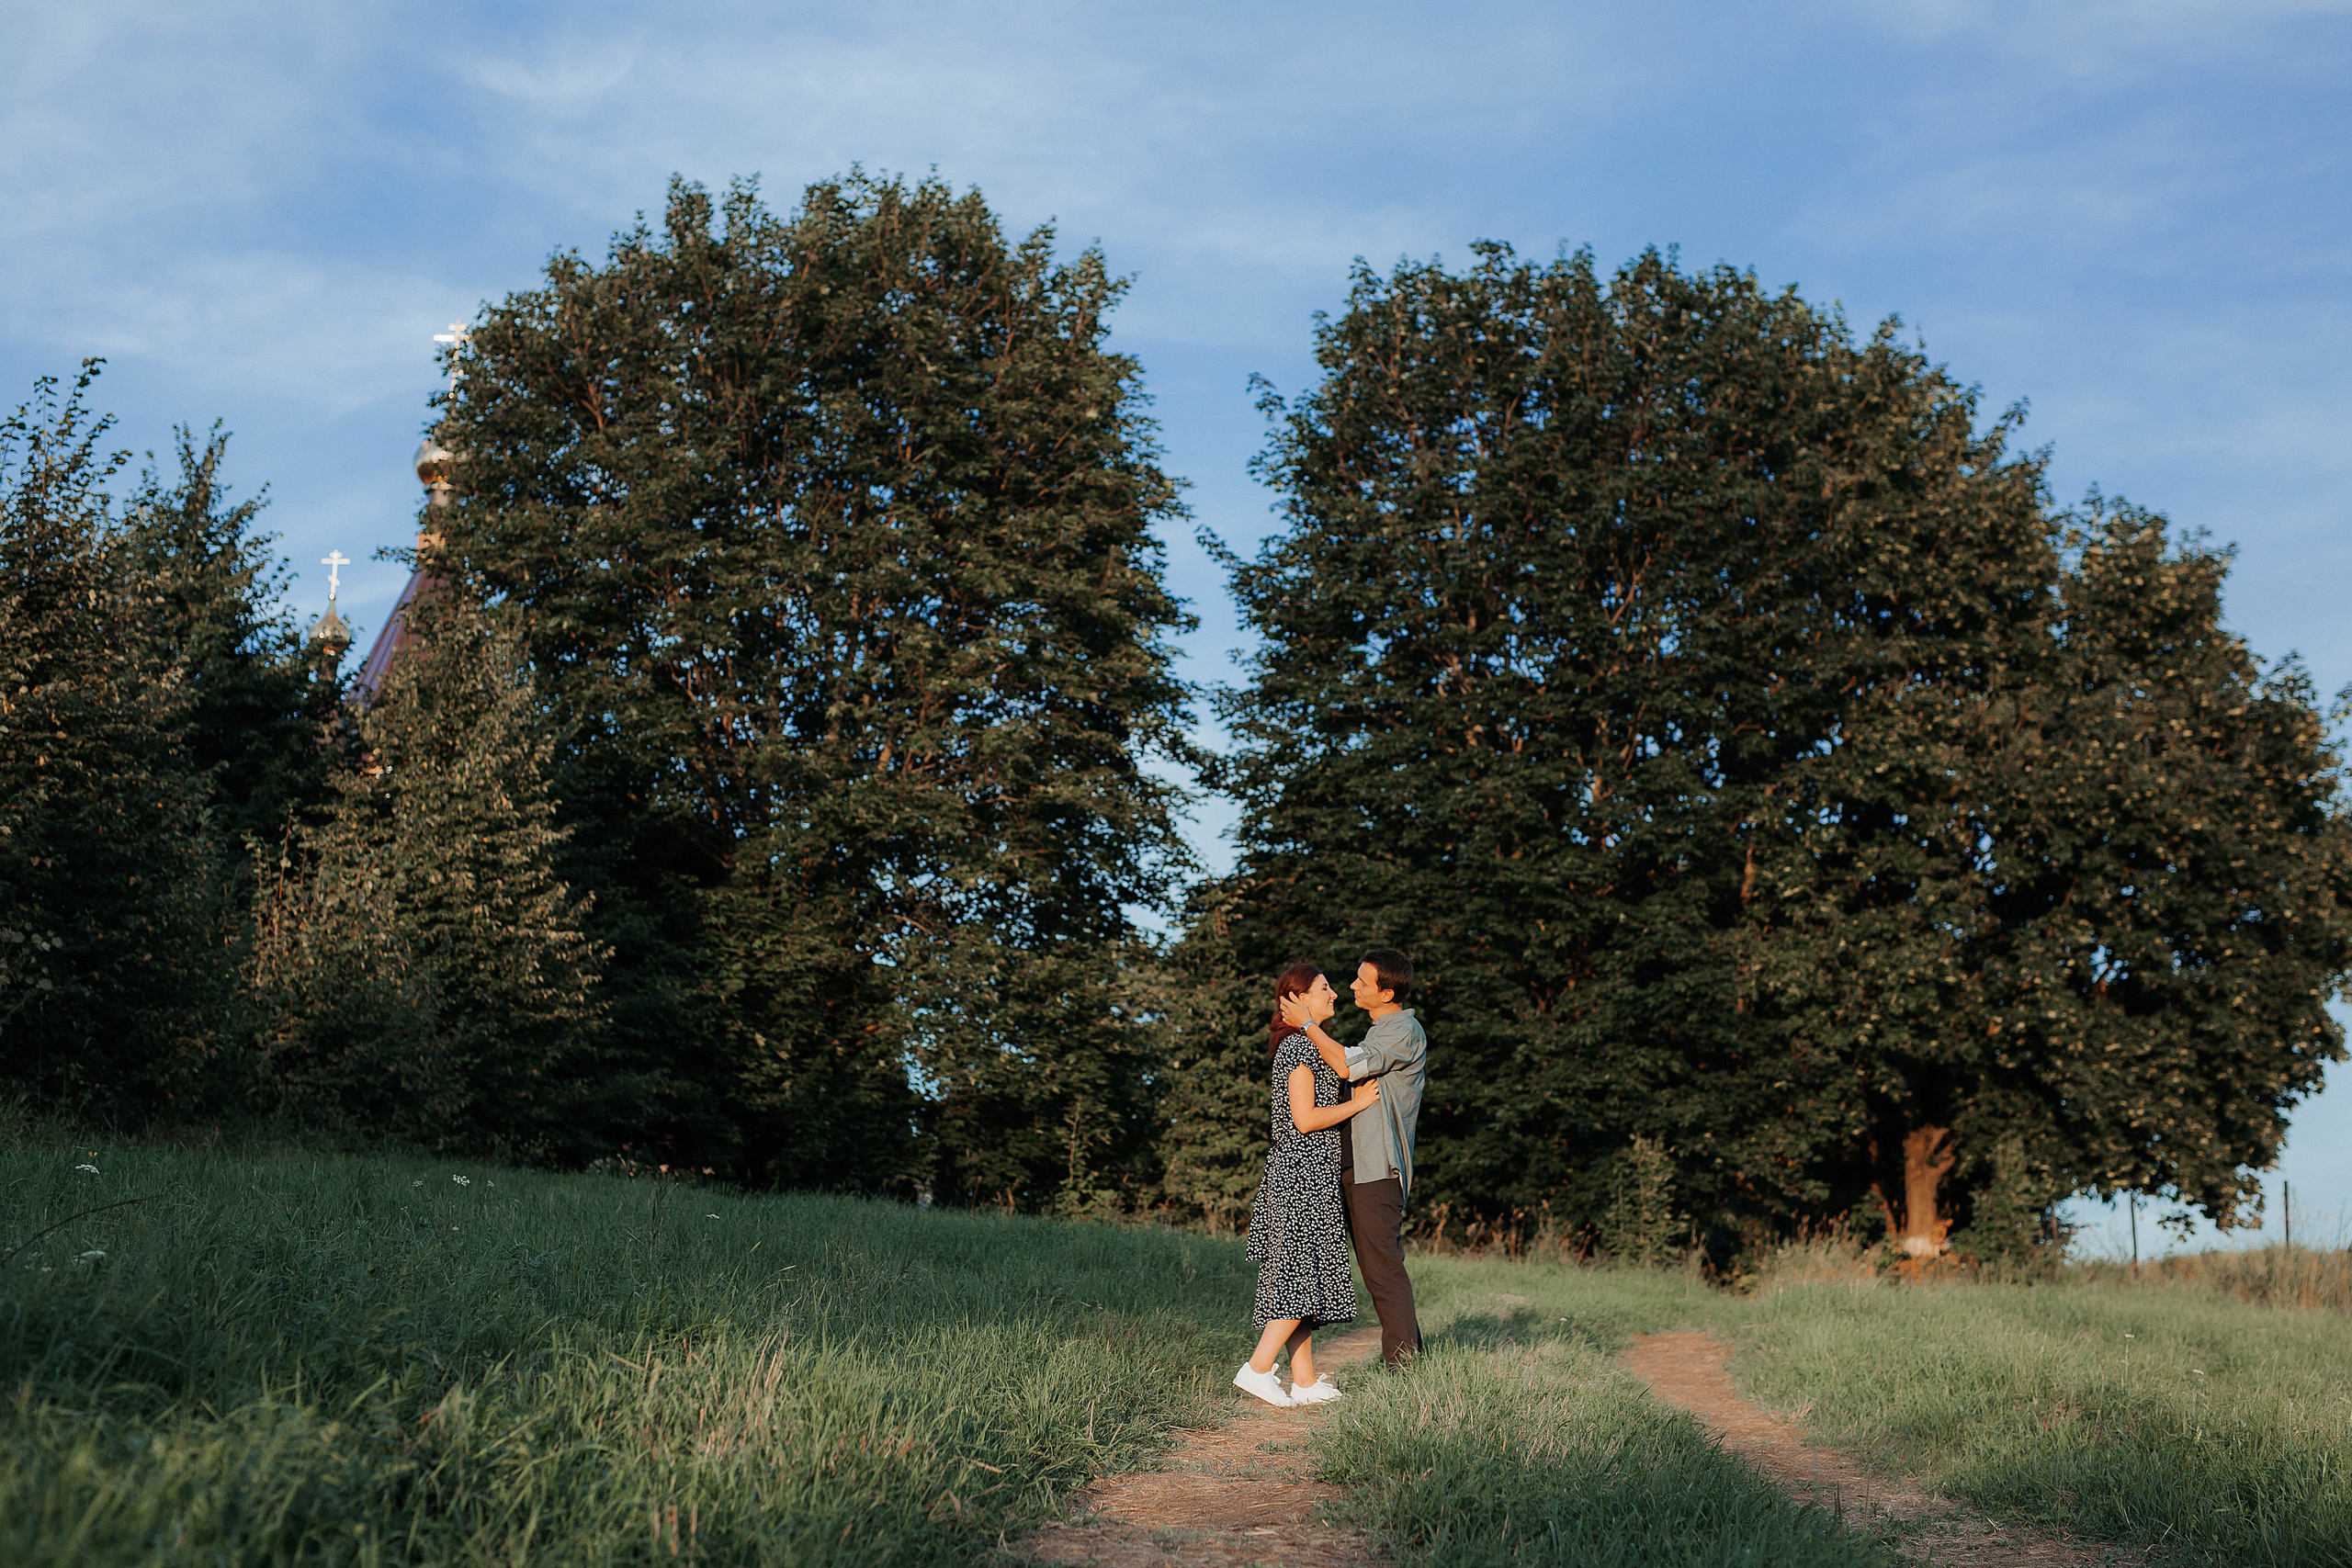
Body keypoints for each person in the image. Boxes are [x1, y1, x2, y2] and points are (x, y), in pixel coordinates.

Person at [1236, 964, 1382, 1408]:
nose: (1335, 994)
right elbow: (1304, 1120)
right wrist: (1356, 1105)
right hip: (1300, 1177)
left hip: (1308, 1175)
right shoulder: (1300, 1047)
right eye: (1324, 989)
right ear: (1297, 999)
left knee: (1304, 1281)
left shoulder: (1305, 1046)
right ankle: (1257, 1369)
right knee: (1298, 1283)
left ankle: (1304, 1381)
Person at [1283, 948, 1425, 1368]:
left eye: (1362, 982)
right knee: (1375, 1268)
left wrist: (1307, 1024)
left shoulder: (1402, 1029)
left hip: (1377, 1168)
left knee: (1383, 1270)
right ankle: (1408, 1361)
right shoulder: (1382, 1029)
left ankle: (1404, 1369)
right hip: (1357, 1166)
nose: (1352, 987)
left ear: (1386, 991)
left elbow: (1347, 1065)